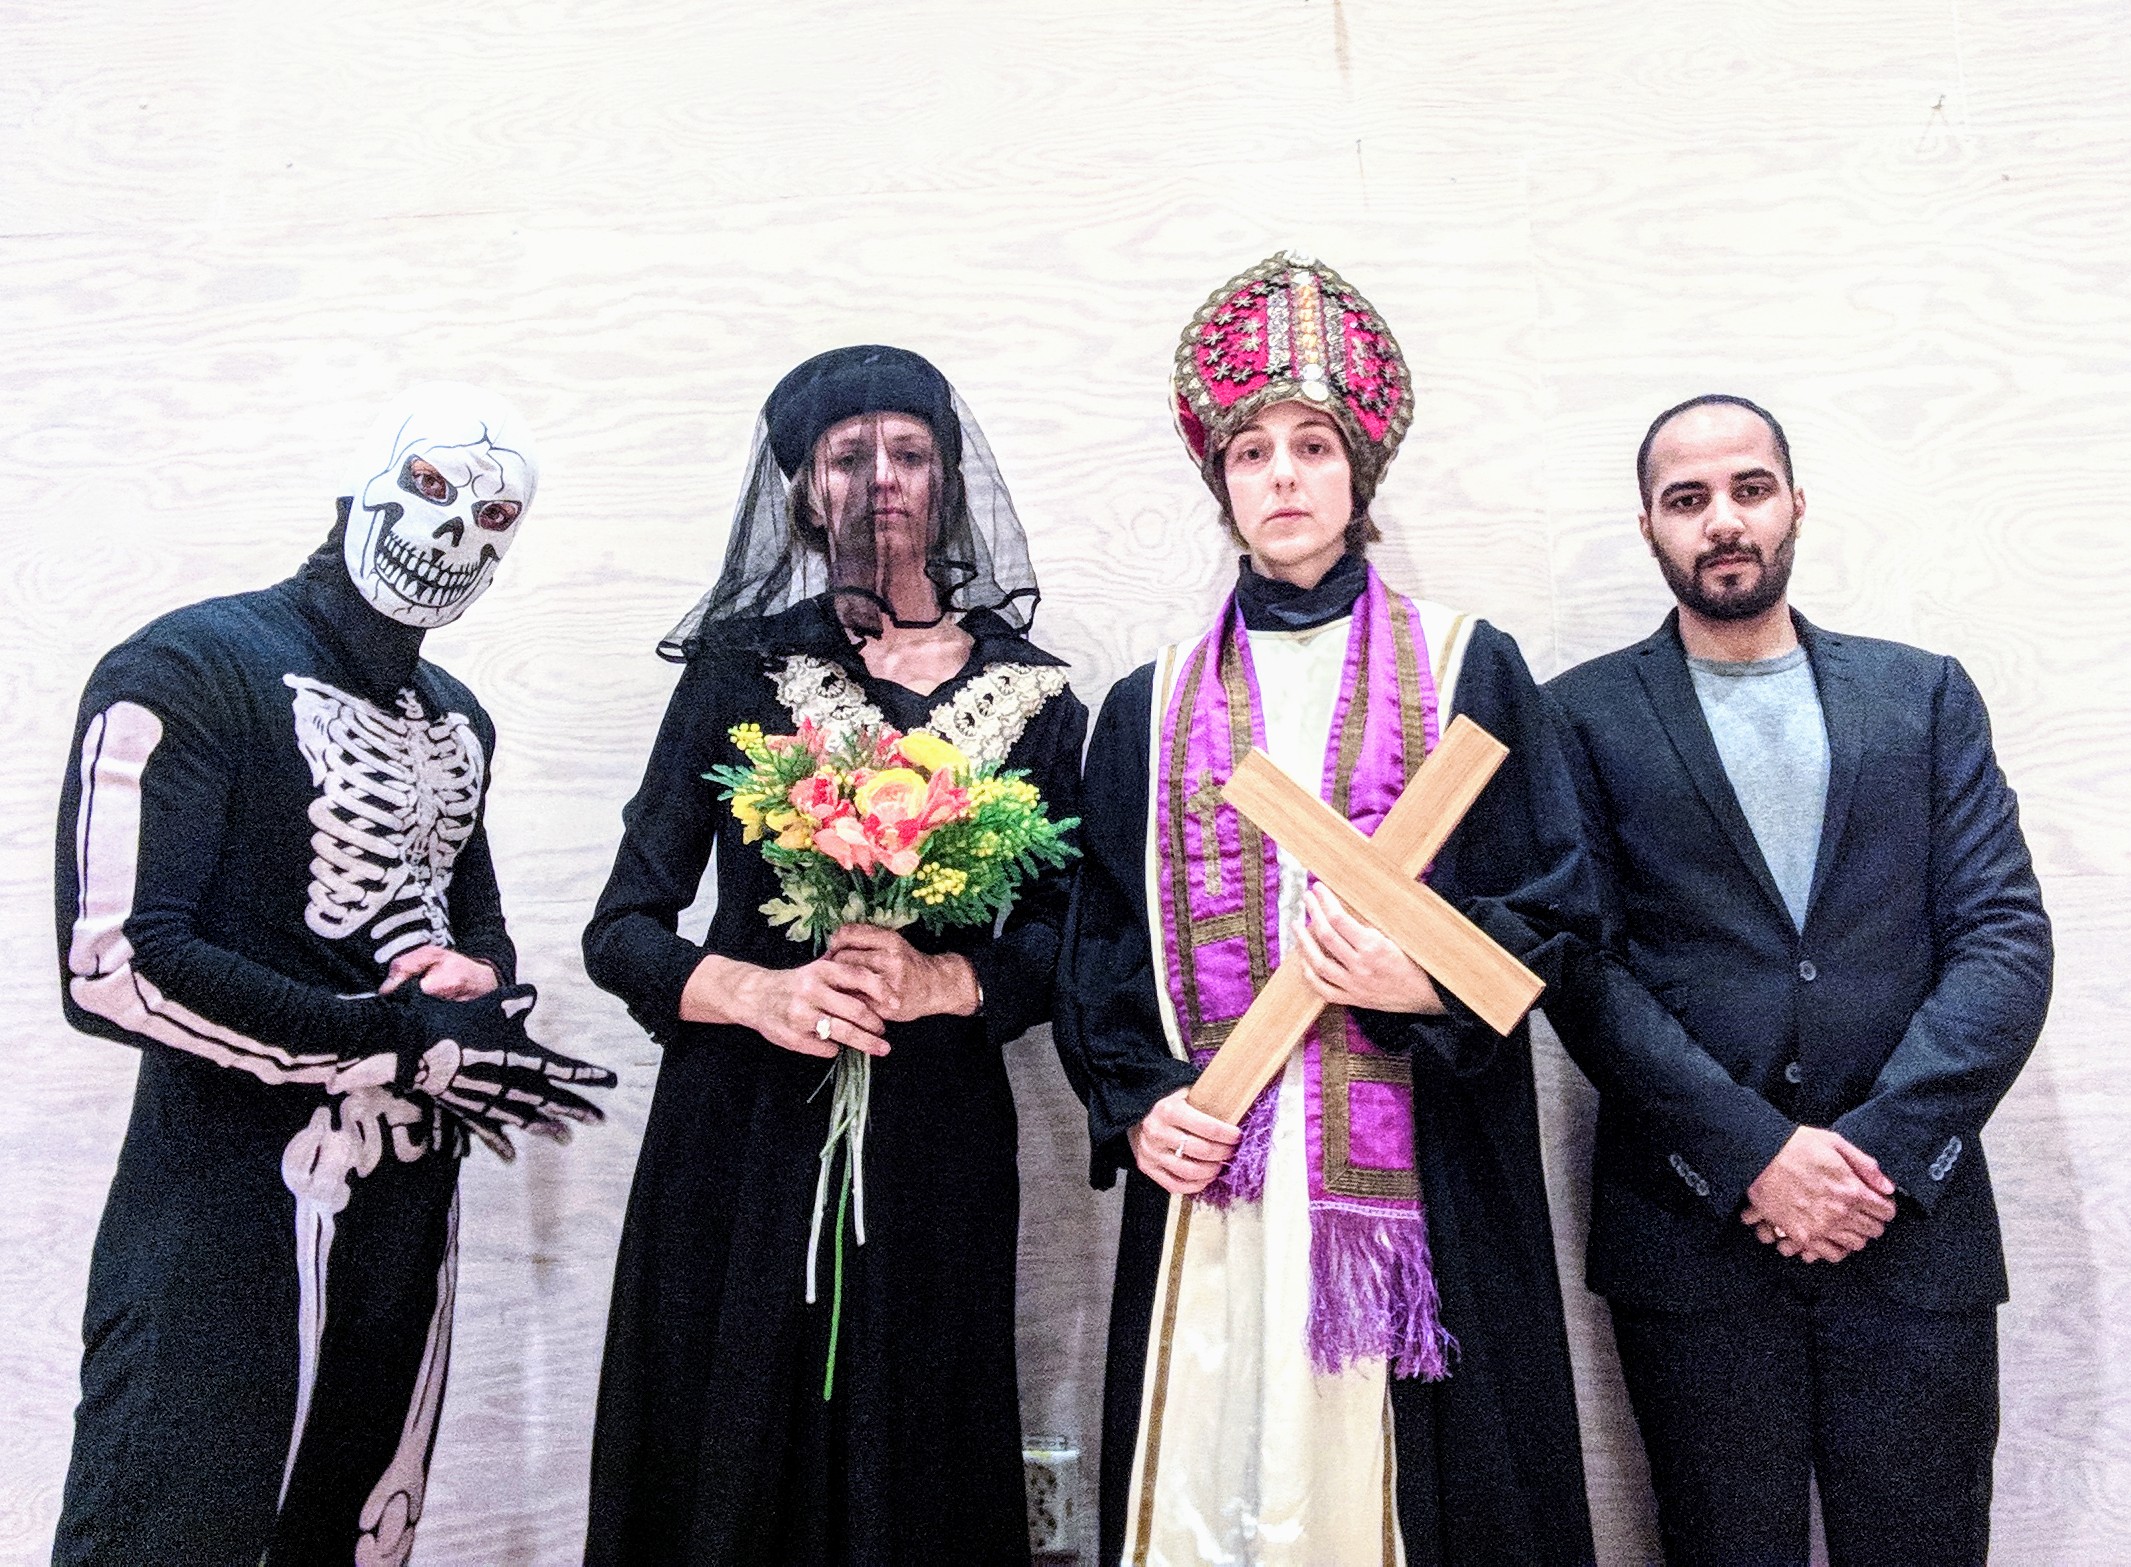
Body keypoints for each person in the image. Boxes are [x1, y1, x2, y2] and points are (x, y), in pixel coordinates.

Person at [1056, 252, 1596, 1567]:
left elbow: (1558, 901)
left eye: (1311, 446)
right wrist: (1141, 1106)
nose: (1282, 476)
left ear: (1358, 472)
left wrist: (1422, 982)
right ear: (1222, 484)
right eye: (1251, 452)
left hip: (1420, 1153)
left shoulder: (1466, 664)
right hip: (1220, 1158)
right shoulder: (1149, 704)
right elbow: (1101, 945)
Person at [51, 383, 616, 1567]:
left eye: (494, 517)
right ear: (362, 483)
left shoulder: (457, 718)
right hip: (225, 1189)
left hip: (408, 1195)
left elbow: (475, 921)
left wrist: (472, 981)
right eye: (431, 489)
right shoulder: (189, 663)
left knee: (359, 1526)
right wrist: (401, 1041)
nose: (454, 533)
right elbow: (114, 964)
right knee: (173, 1516)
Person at [581, 345, 1087, 1566]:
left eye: (909, 452)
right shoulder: (738, 671)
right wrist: (761, 992)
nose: (882, 479)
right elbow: (623, 928)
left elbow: (1072, 939)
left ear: (948, 481)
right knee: (731, 1431)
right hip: (740, 1125)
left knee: (918, 1437)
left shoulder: (1037, 699)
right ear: (805, 492)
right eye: (848, 456)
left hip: (934, 1127)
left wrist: (941, 981)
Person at [1544, 394, 2053, 1566]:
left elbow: (2004, 938)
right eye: (1687, 499)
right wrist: (1754, 1156)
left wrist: (1875, 1156)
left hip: (1909, 1228)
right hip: (1694, 1236)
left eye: (1749, 488)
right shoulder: (1579, 717)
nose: (1722, 520)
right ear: (1649, 527)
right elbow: (1581, 968)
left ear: (1794, 504)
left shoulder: (1923, 696)